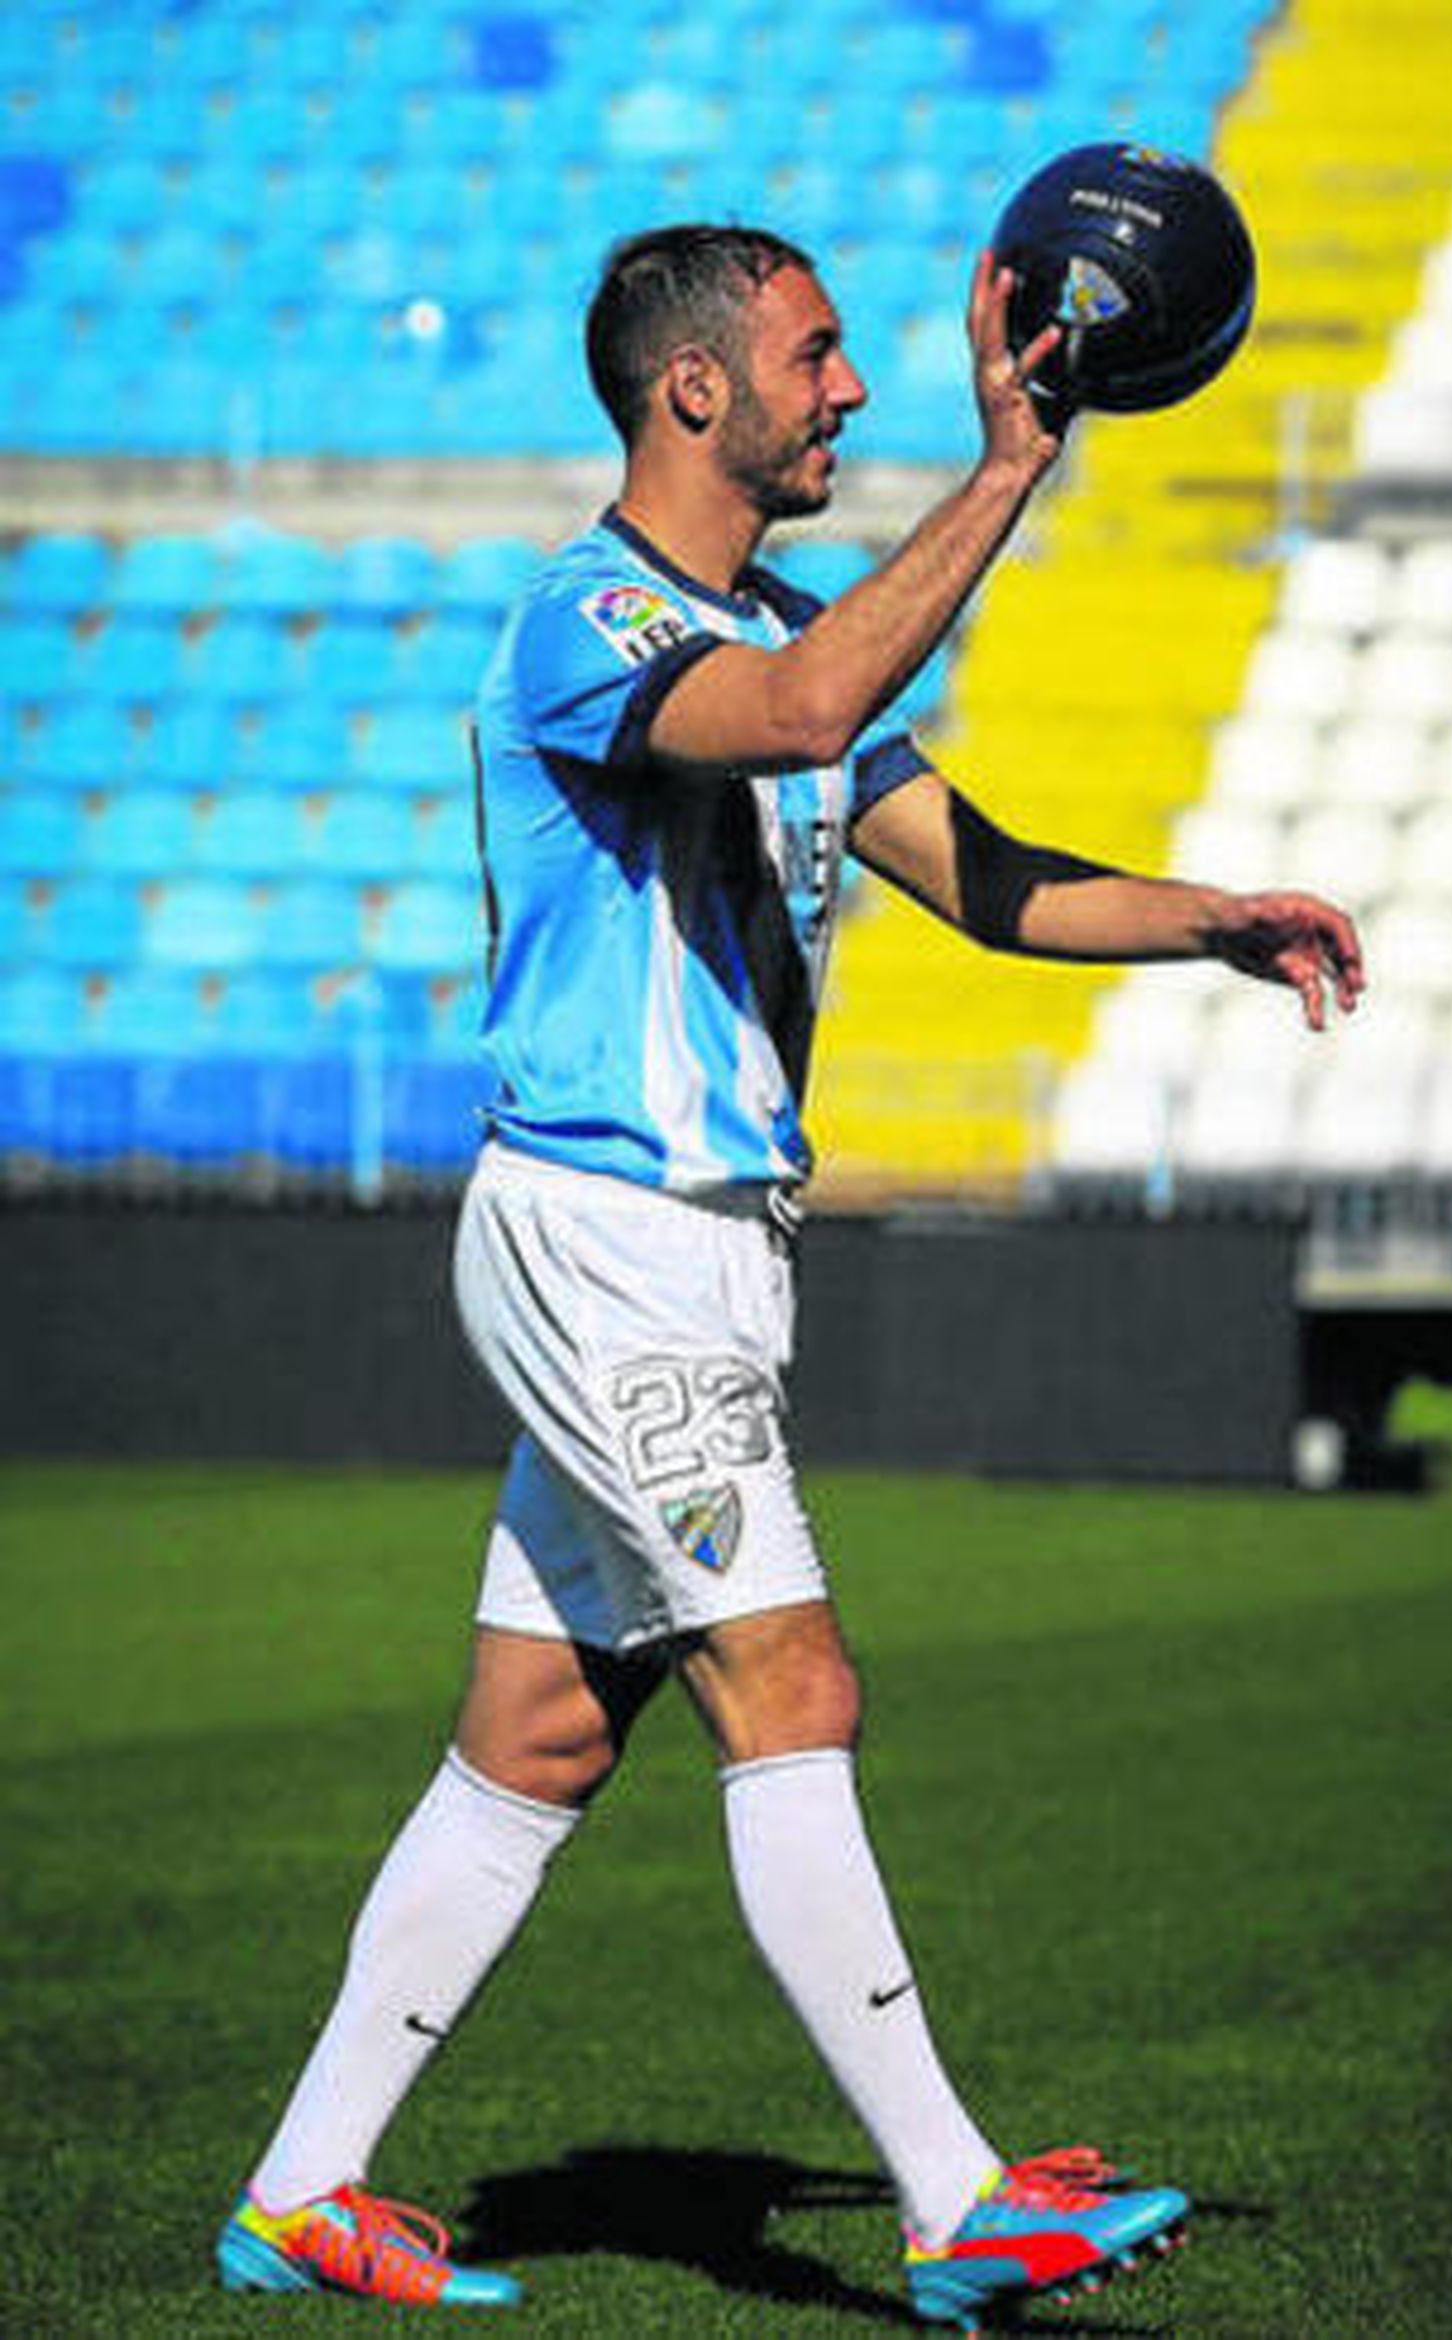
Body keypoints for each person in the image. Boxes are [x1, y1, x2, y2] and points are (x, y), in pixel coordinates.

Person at [217, 224, 1363, 2329]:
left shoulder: (786, 628)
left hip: (697, 1248)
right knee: (792, 1687)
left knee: (538, 1740)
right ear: (694, 391)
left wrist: (1216, 917)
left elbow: (986, 884)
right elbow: (810, 715)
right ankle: (954, 2203)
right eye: (816, 357)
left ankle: (300, 2194)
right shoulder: (590, 622)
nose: (847, 390)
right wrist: (1012, 466)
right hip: (610, 1236)